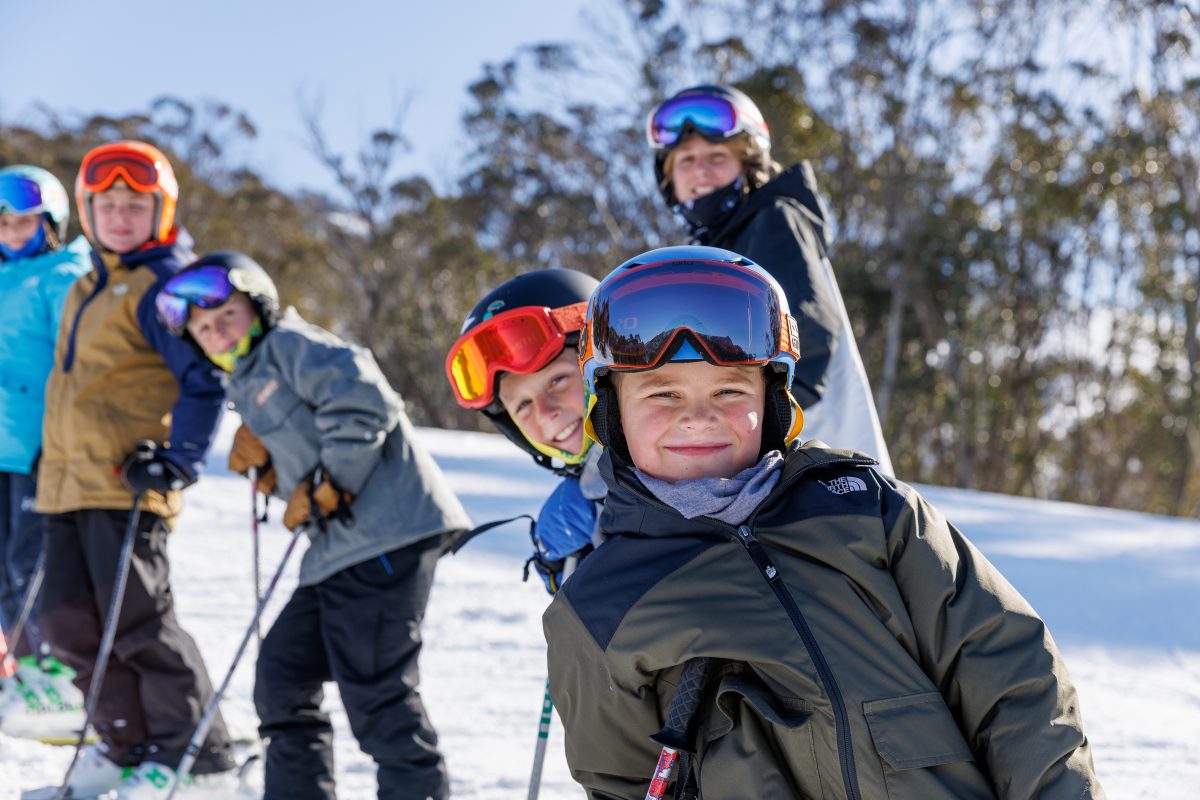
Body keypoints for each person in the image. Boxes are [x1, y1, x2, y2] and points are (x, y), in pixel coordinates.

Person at [544, 246, 1104, 799]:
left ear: (774, 396)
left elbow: (1012, 677)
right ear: (610, 411)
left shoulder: (869, 509)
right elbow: (621, 785)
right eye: (662, 393)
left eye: (729, 389)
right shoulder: (597, 610)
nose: (698, 417)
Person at [156, 252, 473, 800]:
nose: (215, 331)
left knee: (376, 692)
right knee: (282, 676)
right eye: (203, 329)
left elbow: (366, 403)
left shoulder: (289, 345)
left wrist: (333, 480)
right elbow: (306, 496)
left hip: (386, 533)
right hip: (338, 550)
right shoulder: (249, 383)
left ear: (255, 304)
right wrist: (276, 474)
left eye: (224, 315)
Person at [26, 142, 237, 800]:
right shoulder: (88, 282)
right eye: (106, 204)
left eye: (134, 204)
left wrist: (178, 460)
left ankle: (196, 760)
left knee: (138, 623)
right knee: (65, 624)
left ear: (161, 210)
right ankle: (126, 744)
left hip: (126, 485)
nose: (120, 216)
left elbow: (203, 379)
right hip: (65, 486)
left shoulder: (164, 285)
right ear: (87, 211)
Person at [647, 84, 894, 474]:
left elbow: (808, 342)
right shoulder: (723, 245)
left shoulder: (772, 220)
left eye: (716, 157)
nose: (701, 171)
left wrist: (741, 433)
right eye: (687, 161)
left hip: (814, 464)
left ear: (749, 165)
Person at [0, 165, 92, 742]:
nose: (12, 231)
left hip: (39, 444)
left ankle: (54, 672)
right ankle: (24, 671)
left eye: (25, 220)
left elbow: (79, 360)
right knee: (1, 568)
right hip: (0, 447)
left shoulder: (65, 275)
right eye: (4, 222)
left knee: (29, 562)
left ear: (52, 222)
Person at [445, 268, 603, 589]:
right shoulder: (594, 489)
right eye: (523, 406)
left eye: (557, 380)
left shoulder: (682, 459)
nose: (546, 414)